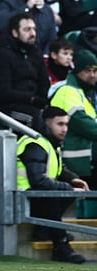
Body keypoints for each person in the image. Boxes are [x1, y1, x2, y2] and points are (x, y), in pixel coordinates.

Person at [16, 106, 88, 264]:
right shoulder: (35, 144)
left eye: (66, 124)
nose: (65, 129)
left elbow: (59, 169)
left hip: (33, 197)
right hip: (20, 198)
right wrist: (69, 188)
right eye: (60, 124)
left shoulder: (49, 143)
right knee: (56, 196)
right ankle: (61, 246)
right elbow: (38, 180)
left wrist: (72, 179)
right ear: (46, 124)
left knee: (65, 192)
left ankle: (44, 230)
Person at [0, 12, 50, 130]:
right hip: (6, 109)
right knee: (37, 119)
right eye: (27, 29)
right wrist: (31, 99)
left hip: (32, 104)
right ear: (15, 33)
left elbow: (44, 82)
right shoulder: (2, 55)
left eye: (34, 29)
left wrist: (42, 101)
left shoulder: (35, 53)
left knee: (57, 117)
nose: (33, 33)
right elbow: (3, 92)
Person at [50, 49, 97, 188]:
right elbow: (84, 125)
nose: (93, 75)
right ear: (77, 71)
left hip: (86, 161)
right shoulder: (67, 91)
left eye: (95, 71)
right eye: (88, 71)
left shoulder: (84, 93)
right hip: (76, 162)